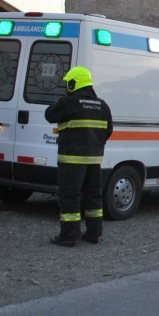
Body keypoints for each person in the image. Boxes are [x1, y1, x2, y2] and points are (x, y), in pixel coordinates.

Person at [44, 66, 113, 247]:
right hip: (94, 160)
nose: (67, 86)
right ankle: (93, 233)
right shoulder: (103, 105)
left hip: (71, 160)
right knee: (93, 197)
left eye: (68, 83)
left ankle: (69, 236)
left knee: (70, 196)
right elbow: (108, 130)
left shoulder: (70, 102)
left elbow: (49, 114)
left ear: (75, 82)